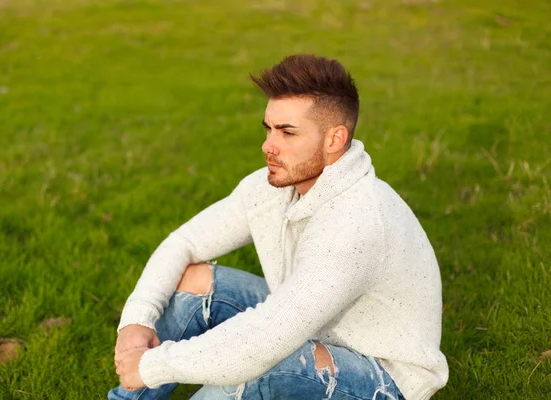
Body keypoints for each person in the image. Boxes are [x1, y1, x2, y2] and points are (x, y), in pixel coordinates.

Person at [109, 54, 448, 400]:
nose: (268, 146)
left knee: (259, 364)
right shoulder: (273, 186)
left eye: (287, 132)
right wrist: (138, 321)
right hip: (306, 330)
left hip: (379, 377)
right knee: (192, 283)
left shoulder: (355, 223)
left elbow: (268, 339)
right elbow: (185, 242)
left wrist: (153, 365)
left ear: (334, 140)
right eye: (269, 128)